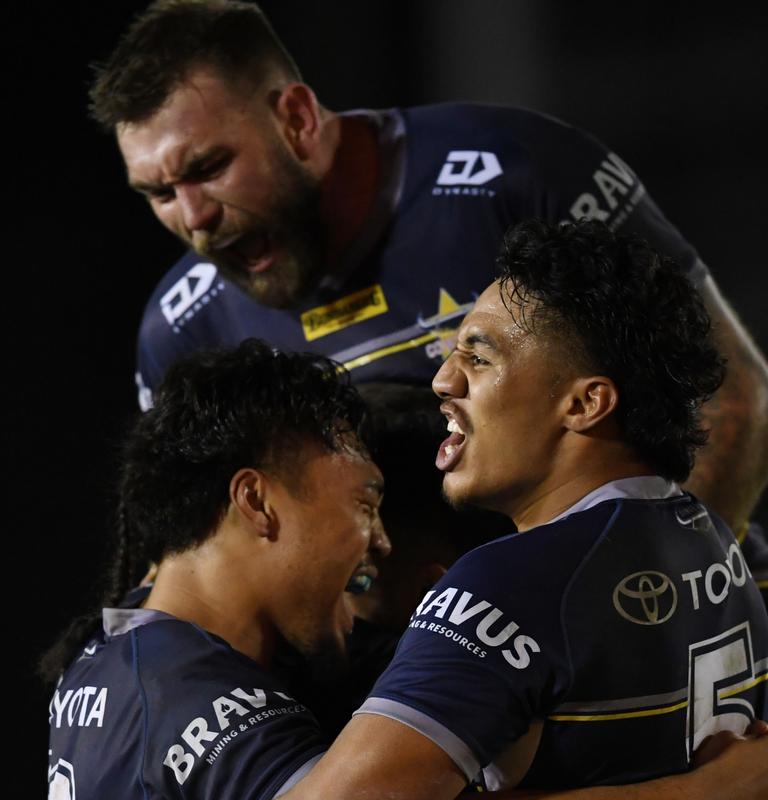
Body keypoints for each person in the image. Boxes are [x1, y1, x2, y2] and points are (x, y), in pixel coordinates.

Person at [20, 223, 768, 800]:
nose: (443, 378)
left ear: (584, 402)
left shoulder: (519, 579)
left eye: (478, 356)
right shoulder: (727, 555)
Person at [87, 0, 768, 541]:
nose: (194, 218)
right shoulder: (179, 330)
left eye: (208, 168)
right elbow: (196, 563)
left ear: (295, 117)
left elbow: (734, 400)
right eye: (158, 193)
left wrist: (648, 607)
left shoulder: (518, 173)